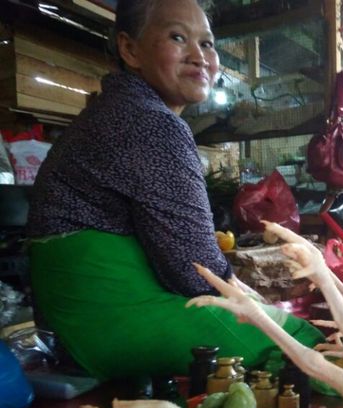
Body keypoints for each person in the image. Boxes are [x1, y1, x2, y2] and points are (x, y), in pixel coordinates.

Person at [26, 0, 323, 380]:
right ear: (130, 49)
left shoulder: (120, 109)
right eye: (177, 38)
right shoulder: (150, 122)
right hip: (107, 322)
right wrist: (256, 303)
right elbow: (195, 270)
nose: (199, 56)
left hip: (74, 325)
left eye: (208, 43)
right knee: (301, 340)